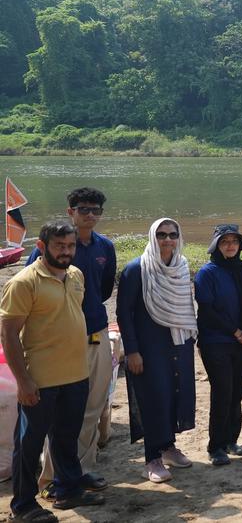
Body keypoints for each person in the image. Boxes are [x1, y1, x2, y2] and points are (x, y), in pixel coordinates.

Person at [2, 221, 104, 519]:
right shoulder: (23, 282)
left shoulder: (75, 275)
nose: (66, 251)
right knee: (29, 444)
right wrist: (23, 381)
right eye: (59, 246)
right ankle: (23, 506)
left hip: (75, 375)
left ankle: (68, 490)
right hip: (40, 380)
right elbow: (8, 334)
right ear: (41, 246)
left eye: (70, 245)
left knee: (66, 437)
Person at [25, 188, 114, 501]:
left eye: (95, 210)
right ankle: (51, 478)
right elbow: (35, 291)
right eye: (83, 209)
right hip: (60, 344)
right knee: (59, 417)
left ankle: (81, 470)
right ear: (70, 211)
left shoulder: (105, 246)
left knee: (90, 409)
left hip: (97, 334)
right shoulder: (53, 247)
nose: (90, 214)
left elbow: (102, 290)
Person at [117, 218, 197, 483]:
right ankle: (151, 457)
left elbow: (186, 305)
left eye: (173, 234)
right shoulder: (136, 269)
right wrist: (132, 351)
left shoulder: (182, 267)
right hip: (148, 345)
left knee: (175, 394)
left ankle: (168, 447)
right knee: (153, 396)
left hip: (178, 341)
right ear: (153, 237)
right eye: (161, 235)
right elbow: (124, 313)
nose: (167, 240)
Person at [193, 224, 242, 466]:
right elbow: (207, 310)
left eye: (234, 241)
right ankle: (215, 446)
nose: (230, 245)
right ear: (216, 245)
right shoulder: (207, 273)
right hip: (216, 341)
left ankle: (231, 439)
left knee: (237, 393)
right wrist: (236, 331)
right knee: (222, 392)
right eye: (225, 242)